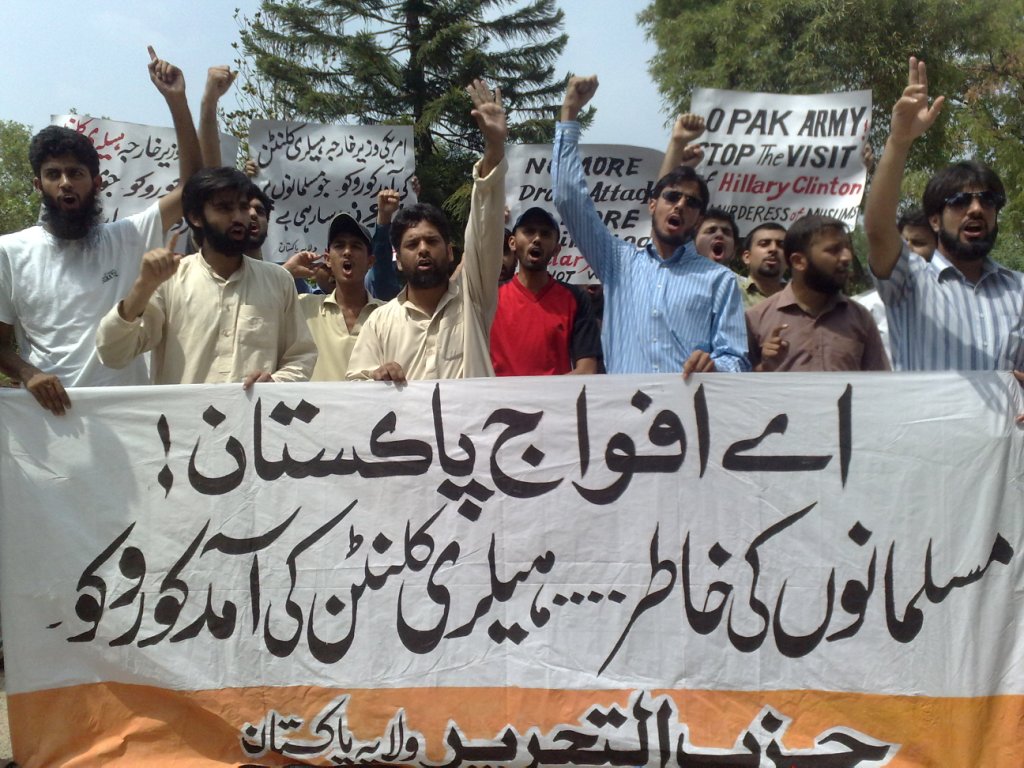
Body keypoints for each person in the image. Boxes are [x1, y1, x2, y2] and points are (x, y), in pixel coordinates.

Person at [0, 47, 201, 414]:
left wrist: (177, 101)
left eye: (75, 173)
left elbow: (192, 188)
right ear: (38, 184)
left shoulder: (128, 236)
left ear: (96, 182)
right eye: (53, 174)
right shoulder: (10, 251)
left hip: (128, 416)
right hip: (50, 419)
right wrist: (29, 374)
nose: (65, 183)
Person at [552, 76, 748, 375]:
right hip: (625, 406)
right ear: (652, 204)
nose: (680, 205)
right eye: (672, 197)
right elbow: (569, 199)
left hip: (689, 406)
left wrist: (715, 367)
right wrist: (569, 114)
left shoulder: (718, 280)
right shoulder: (617, 262)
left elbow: (737, 360)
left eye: (691, 203)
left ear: (698, 219)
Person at [863, 57, 1024, 372]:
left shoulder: (1019, 290)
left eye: (987, 200)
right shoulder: (909, 281)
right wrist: (899, 142)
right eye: (960, 201)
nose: (976, 209)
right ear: (935, 220)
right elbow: (878, 230)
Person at [346, 79, 506, 382]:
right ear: (397, 258)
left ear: (450, 252)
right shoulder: (380, 321)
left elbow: (486, 230)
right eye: (412, 244)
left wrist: (494, 149)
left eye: (432, 241)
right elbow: (356, 388)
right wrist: (377, 378)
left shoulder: (474, 300)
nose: (423, 249)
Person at [95, 167, 316, 385]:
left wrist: (275, 382)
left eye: (242, 207)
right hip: (185, 410)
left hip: (255, 410)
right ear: (196, 217)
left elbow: (301, 357)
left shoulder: (278, 281)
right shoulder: (170, 281)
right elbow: (113, 354)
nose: (239, 217)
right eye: (224, 208)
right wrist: (143, 287)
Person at [746, 215, 889, 372]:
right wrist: (764, 367)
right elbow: (737, 383)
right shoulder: (756, 319)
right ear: (798, 261)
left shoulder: (861, 318)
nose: (846, 257)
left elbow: (879, 382)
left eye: (847, 248)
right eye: (833, 250)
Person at [490, 207, 601, 376]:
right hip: (500, 396)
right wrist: (489, 215)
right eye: (529, 231)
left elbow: (587, 369)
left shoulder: (576, 299)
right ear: (512, 242)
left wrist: (541, 392)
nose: (537, 239)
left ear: (556, 249)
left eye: (545, 234)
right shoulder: (490, 298)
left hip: (559, 396)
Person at [299, 208, 388, 380]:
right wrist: (287, 271)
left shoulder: (387, 315)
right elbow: (261, 307)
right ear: (327, 259)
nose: (347, 252)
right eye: (339, 245)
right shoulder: (305, 308)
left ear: (370, 261)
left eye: (356, 246)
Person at [738, 222, 787, 307]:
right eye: (764, 244)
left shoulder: (800, 297)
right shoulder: (731, 292)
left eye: (781, 245)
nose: (773, 249)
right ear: (747, 257)